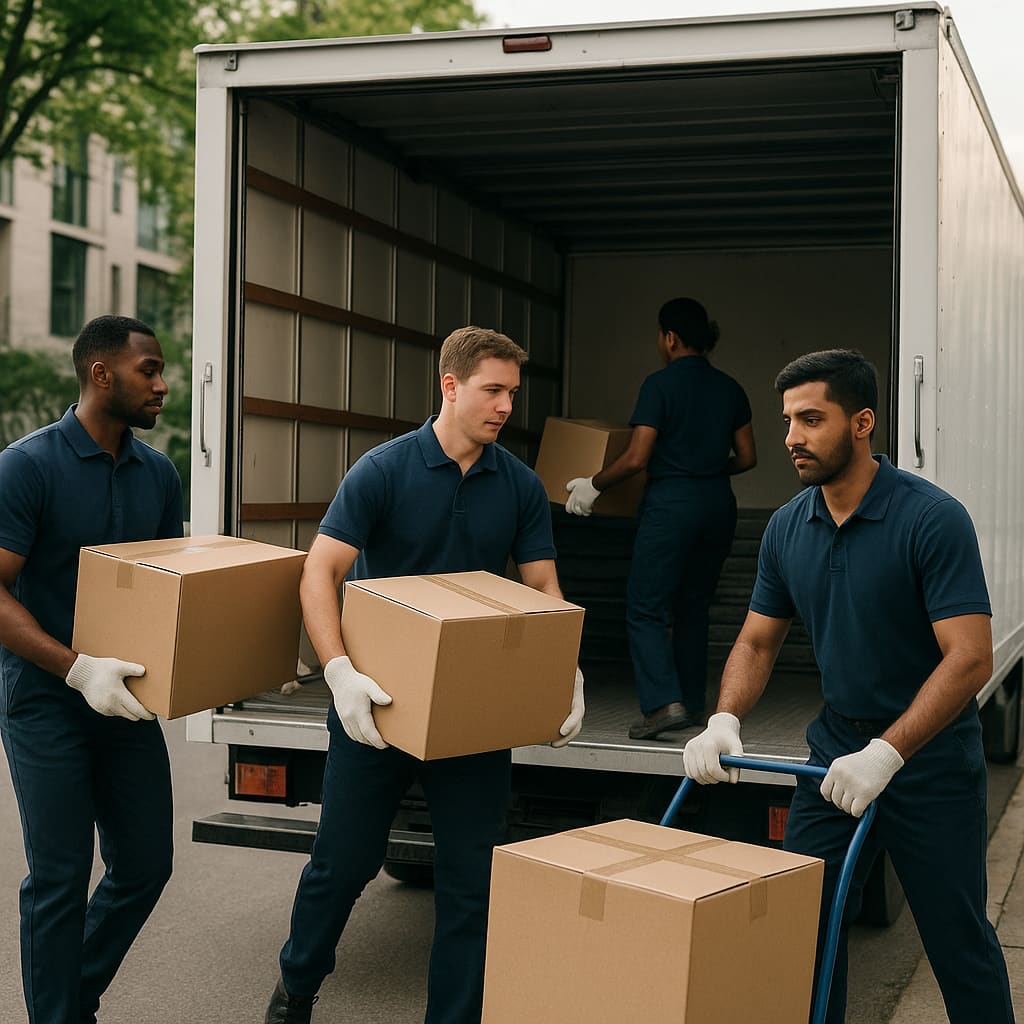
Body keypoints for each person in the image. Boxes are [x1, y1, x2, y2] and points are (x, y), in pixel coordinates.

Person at [683, 349, 1014, 1023]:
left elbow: (970, 659)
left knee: (959, 946)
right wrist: (724, 719)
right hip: (833, 756)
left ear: (862, 423)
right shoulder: (787, 527)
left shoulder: (930, 519)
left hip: (929, 765)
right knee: (806, 939)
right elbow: (756, 639)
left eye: (812, 418)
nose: (792, 438)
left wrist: (889, 753)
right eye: (787, 421)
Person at [265, 326, 585, 1024]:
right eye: (492, 390)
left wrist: (567, 672)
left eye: (511, 394)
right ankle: (296, 992)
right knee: (342, 867)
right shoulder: (384, 471)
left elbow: (543, 588)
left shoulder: (521, 486)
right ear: (450, 385)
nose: (505, 406)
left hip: (474, 713)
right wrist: (339, 670)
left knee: (472, 884)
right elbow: (320, 570)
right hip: (376, 705)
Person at [0, 315, 183, 1024]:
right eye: (150, 370)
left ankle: (67, 1000)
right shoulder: (28, 465)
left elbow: (169, 588)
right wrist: (77, 670)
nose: (162, 384)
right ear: (101, 374)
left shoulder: (158, 471)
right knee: (59, 877)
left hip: (126, 699)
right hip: (47, 696)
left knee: (145, 865)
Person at [564, 297, 756, 739]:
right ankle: (689, 703)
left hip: (672, 505)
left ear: (669, 337)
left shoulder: (660, 385)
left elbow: (637, 457)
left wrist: (595, 484)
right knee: (693, 606)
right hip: (717, 505)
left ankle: (660, 705)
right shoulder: (730, 388)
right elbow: (747, 457)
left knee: (645, 607)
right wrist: (708, 471)